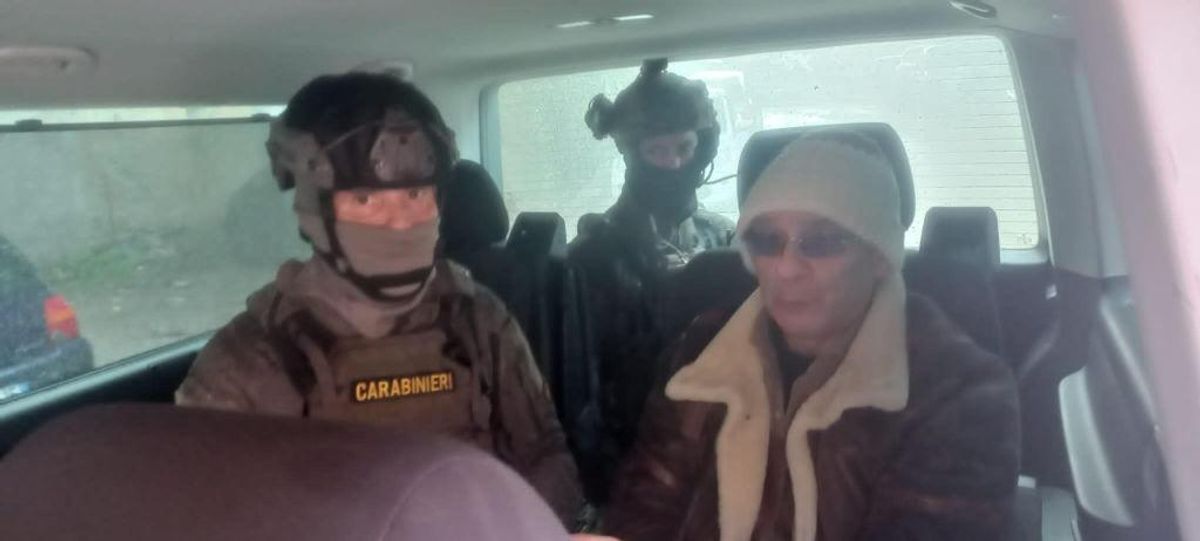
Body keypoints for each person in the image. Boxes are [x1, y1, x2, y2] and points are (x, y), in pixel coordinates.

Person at [175, 72, 583, 524]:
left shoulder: (477, 316)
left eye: (416, 195)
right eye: (366, 201)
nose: (399, 222)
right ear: (315, 209)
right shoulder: (250, 358)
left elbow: (548, 456)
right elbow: (208, 519)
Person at [604, 134, 1020, 540]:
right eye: (767, 241)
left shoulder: (959, 388)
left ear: (878, 257)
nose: (786, 268)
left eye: (822, 242)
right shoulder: (701, 350)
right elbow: (644, 507)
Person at [569, 59, 734, 500]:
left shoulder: (726, 239)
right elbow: (586, 388)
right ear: (632, 152)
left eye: (684, 148)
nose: (674, 164)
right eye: (657, 152)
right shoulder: (592, 256)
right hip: (640, 457)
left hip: (728, 445)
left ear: (703, 147)